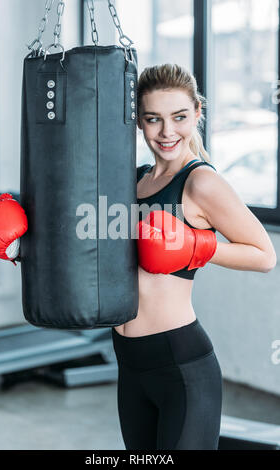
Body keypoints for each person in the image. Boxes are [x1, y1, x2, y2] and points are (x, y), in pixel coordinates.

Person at [111, 63, 277, 450]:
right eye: (153, 119)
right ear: (139, 121)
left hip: (180, 366)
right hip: (129, 363)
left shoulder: (201, 182)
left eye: (179, 117)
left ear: (197, 113)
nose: (167, 132)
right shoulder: (133, 180)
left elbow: (264, 255)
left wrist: (197, 246)